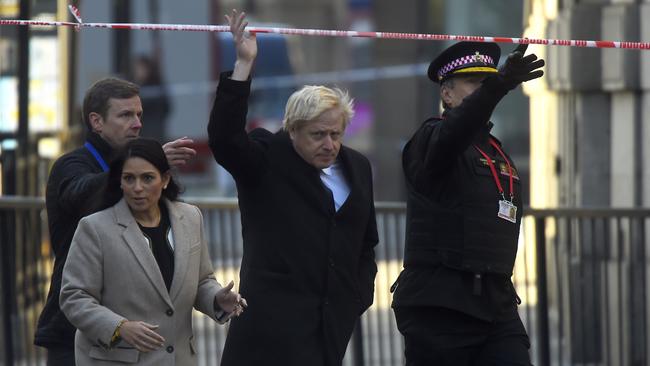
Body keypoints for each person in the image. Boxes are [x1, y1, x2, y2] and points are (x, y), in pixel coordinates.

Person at [207, 10, 378, 366]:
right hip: (268, 333)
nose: (329, 144)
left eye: (336, 134)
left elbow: (366, 242)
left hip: (329, 328)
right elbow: (224, 139)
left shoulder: (357, 167)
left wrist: (359, 293)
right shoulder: (266, 158)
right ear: (293, 130)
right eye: (318, 135)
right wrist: (243, 64)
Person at [391, 41, 545, 365]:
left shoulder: (495, 151)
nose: (485, 90)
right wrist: (499, 86)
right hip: (441, 308)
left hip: (496, 304)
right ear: (447, 94)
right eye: (475, 83)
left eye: (488, 83)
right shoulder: (432, 138)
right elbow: (455, 132)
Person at [34, 77, 197, 365]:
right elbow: (81, 197)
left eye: (139, 115)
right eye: (125, 115)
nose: (137, 123)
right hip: (76, 330)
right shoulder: (72, 165)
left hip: (136, 333)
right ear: (96, 122)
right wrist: (141, 164)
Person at [59, 138, 246, 365]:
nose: (137, 188)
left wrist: (217, 299)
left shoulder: (190, 217)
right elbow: (74, 297)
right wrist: (119, 327)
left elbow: (201, 281)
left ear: (165, 179)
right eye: (129, 178)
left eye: (147, 178)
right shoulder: (94, 228)